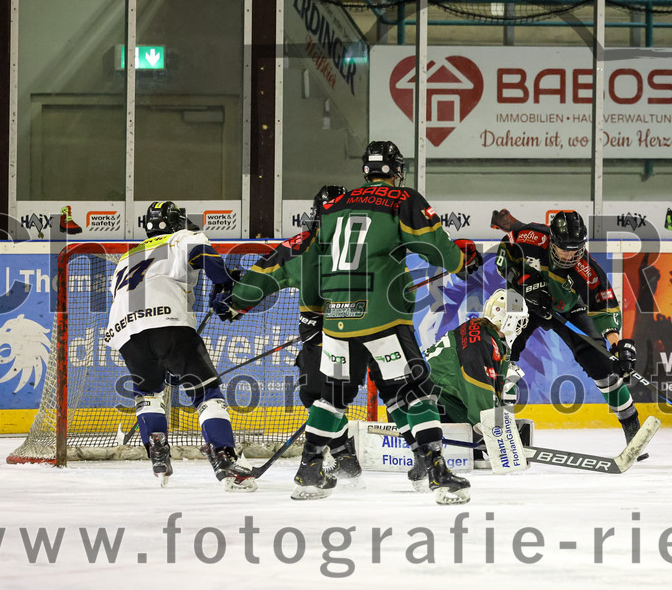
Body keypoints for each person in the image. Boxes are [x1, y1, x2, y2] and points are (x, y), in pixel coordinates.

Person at [293, 140, 482, 504]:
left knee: (333, 398)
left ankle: (308, 471)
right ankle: (437, 472)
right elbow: (433, 243)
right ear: (396, 170)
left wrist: (316, 310)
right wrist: (460, 263)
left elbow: (311, 261)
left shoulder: (333, 206)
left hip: (337, 318)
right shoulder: (401, 199)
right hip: (381, 315)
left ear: (365, 170)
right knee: (417, 393)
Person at [211, 185, 365, 481]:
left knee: (320, 396)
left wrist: (235, 302)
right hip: (359, 332)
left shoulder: (303, 243)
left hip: (320, 333)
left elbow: (266, 275)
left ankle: (321, 462)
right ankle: (346, 454)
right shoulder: (365, 239)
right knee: (322, 396)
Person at [103, 201, 257, 491]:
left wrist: (163, 360)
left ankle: (157, 449)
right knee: (206, 392)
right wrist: (225, 285)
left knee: (148, 393)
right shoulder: (183, 237)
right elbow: (204, 255)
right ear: (177, 223)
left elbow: (131, 298)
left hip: (126, 330)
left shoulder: (125, 258)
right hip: (169, 322)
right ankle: (223, 456)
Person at [495, 210, 644, 443]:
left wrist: (617, 344)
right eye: (564, 248)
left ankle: (633, 428)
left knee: (601, 363)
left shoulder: (587, 268)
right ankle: (500, 427)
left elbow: (603, 305)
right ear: (552, 240)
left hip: (567, 307)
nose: (570, 254)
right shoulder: (531, 238)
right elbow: (504, 255)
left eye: (576, 248)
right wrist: (524, 281)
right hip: (521, 300)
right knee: (504, 354)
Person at [388, 289, 531, 490]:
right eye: (518, 320)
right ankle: (425, 453)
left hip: (430, 399)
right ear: (506, 320)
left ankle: (461, 447)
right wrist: (496, 438)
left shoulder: (483, 334)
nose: (520, 327)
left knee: (509, 378)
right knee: (500, 392)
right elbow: (478, 389)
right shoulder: (478, 342)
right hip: (420, 410)